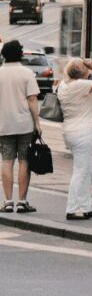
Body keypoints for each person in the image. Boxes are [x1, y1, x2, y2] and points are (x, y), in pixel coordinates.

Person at [58, 58, 92, 220]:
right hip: (81, 133)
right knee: (81, 171)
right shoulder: (80, 86)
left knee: (86, 169)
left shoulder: (63, 85)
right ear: (83, 72)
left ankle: (86, 206)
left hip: (71, 132)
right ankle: (72, 208)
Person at [0, 40, 41, 214]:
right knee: (25, 161)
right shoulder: (27, 73)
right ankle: (22, 201)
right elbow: (32, 100)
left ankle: (8, 201)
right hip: (24, 124)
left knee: (7, 161)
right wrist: (37, 123)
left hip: (3, 124)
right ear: (21, 54)